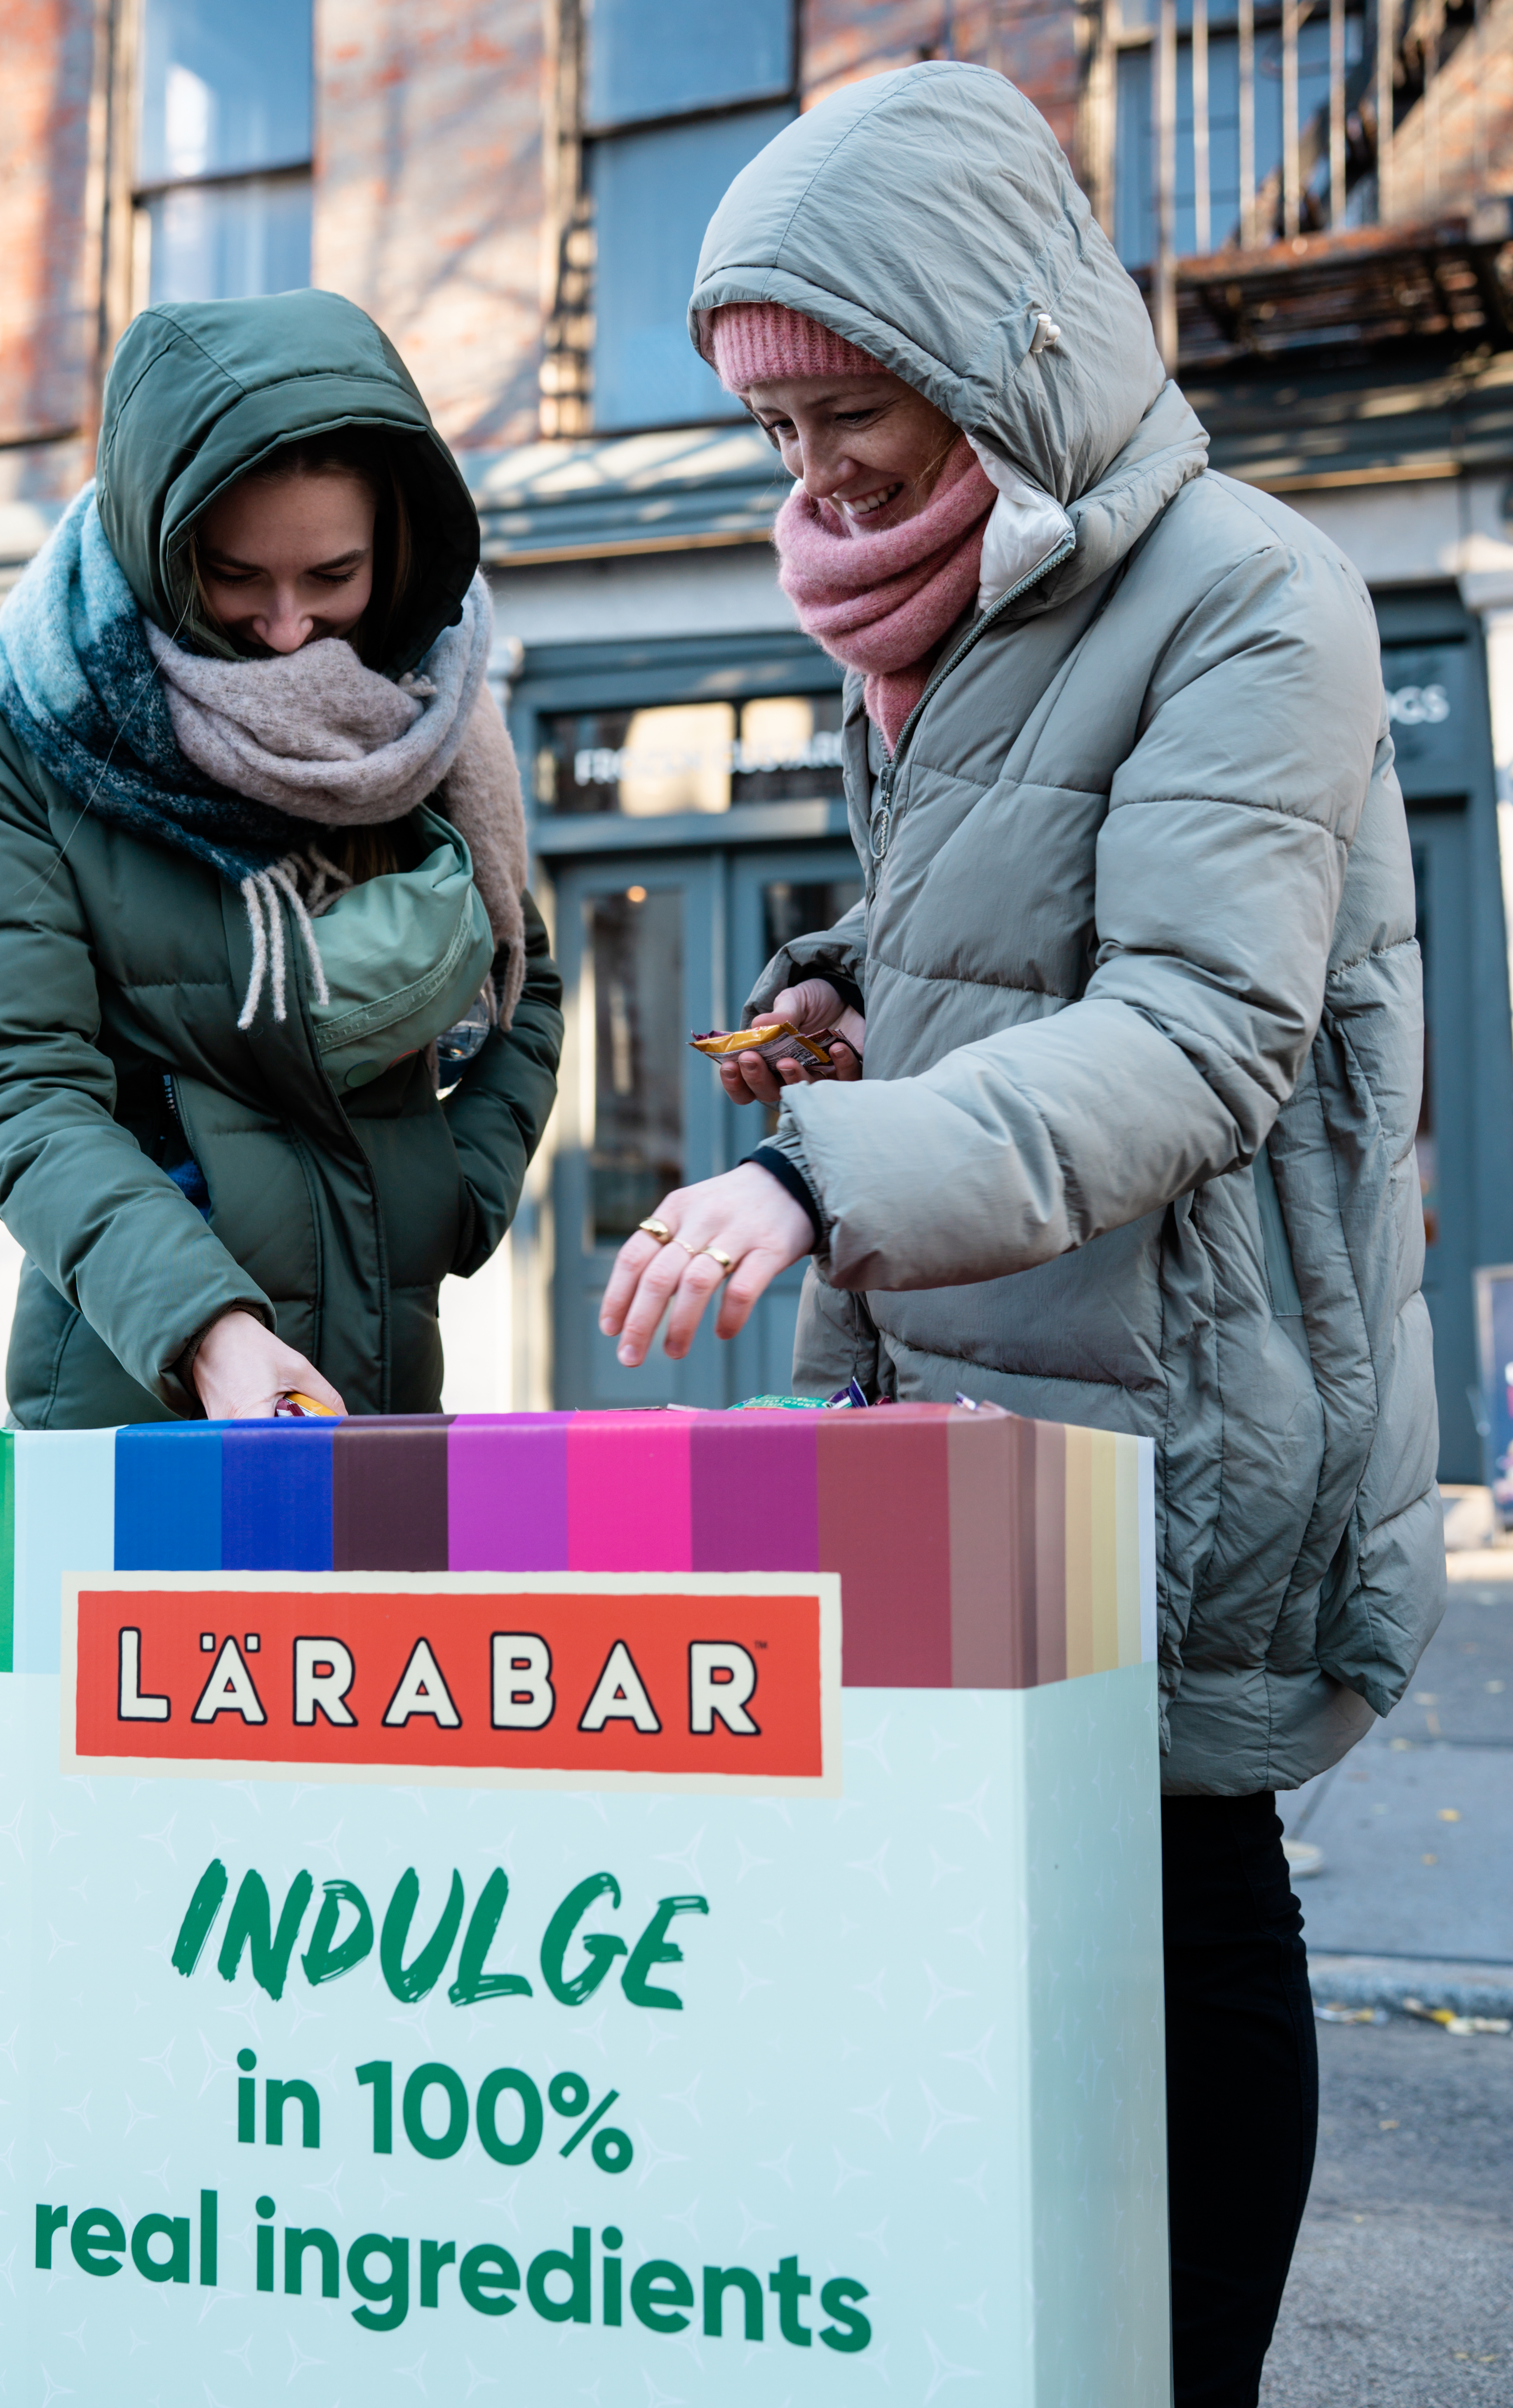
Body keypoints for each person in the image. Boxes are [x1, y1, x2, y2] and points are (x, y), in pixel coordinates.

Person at [599, 64, 1441, 2407]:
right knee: (1003, 1953)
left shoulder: (1252, 593)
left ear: (989, 351)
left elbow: (1197, 1027)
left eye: (846, 411)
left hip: (1185, 1380)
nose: (814, 475)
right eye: (773, 429)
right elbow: (1019, 915)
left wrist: (812, 1178)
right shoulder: (957, 591)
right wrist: (851, 990)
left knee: (1178, 1881)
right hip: (981, 1369)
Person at [0, 293, 562, 1425]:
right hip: (144, 1391)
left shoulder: (423, 710)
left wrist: (449, 1193)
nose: (285, 627)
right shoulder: (19, 731)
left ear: (394, 548)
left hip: (383, 1382)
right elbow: (11, 1083)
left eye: (332, 577)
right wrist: (204, 1330)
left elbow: (526, 980)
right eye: (234, 576)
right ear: (159, 543)